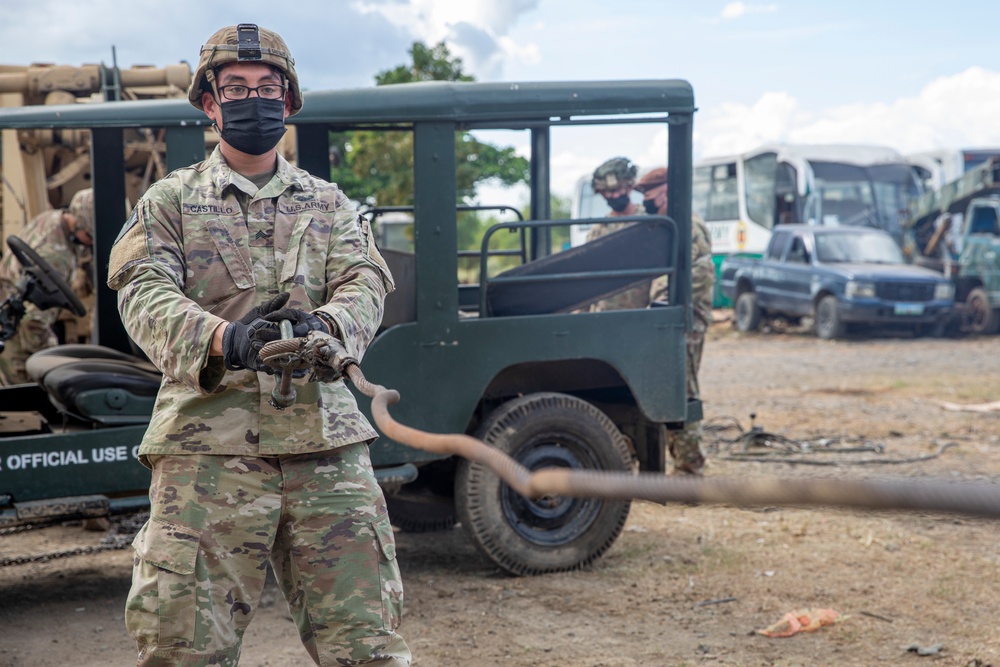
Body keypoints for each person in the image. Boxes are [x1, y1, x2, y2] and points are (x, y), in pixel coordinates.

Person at [107, 24, 409, 666]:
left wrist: (330, 329)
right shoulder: (169, 203)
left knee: (369, 649)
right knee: (184, 650)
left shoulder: (330, 205)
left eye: (268, 89)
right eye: (236, 89)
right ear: (210, 105)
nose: (254, 100)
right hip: (206, 455)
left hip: (325, 449)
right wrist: (229, 339)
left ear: (290, 102)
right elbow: (141, 292)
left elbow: (366, 282)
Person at [635, 167, 715, 475]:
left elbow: (701, 273)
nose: (646, 201)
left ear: (666, 191)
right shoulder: (667, 225)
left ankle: (690, 468)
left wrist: (665, 303)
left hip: (684, 321)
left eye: (650, 194)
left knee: (683, 390)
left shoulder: (688, 224)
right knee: (666, 387)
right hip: (666, 320)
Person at [0, 187, 94, 385]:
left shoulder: (52, 218)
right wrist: (53, 356)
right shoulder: (57, 256)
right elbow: (33, 321)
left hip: (9, 304)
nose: (91, 243)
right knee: (28, 394)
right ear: (79, 224)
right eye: (90, 236)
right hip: (15, 327)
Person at [586, 156, 650, 311]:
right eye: (607, 192)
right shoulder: (598, 231)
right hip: (604, 313)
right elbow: (587, 276)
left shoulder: (649, 221)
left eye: (616, 190)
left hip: (641, 312)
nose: (613, 196)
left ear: (629, 187)